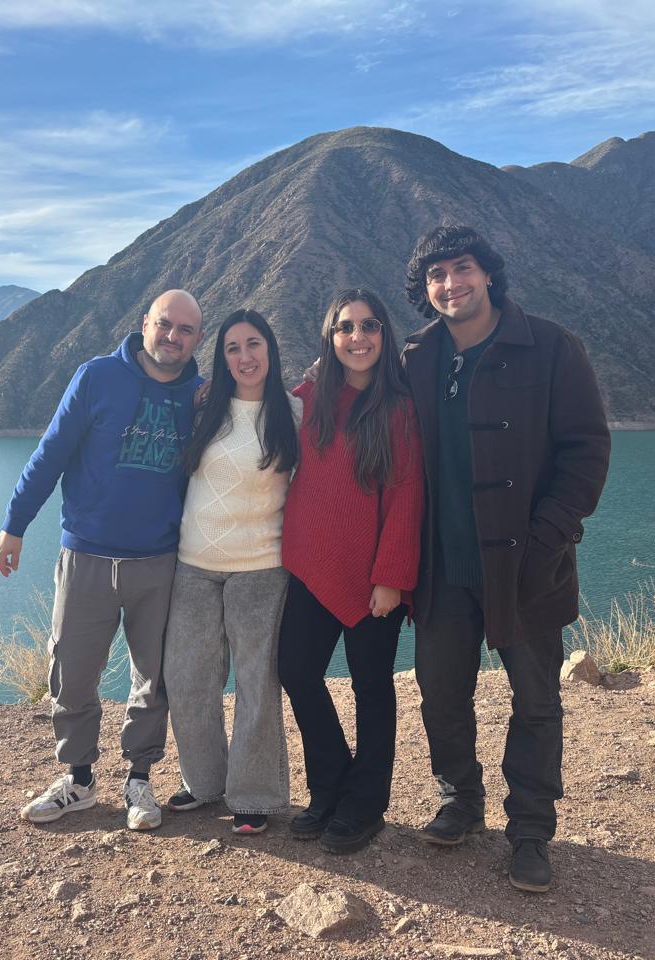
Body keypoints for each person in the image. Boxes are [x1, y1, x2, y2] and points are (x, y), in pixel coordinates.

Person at [401, 225, 611, 892]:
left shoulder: (549, 346)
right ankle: (460, 799)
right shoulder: (416, 358)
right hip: (442, 567)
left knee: (537, 701)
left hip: (526, 566)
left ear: (487, 273)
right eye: (436, 275)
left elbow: (587, 451)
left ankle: (530, 830)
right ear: (425, 288)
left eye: (461, 268)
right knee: (440, 693)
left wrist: (547, 538)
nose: (450, 284)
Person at [0, 289, 203, 831]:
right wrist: (14, 525)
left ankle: (139, 778)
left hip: (158, 560)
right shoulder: (96, 377)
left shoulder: (201, 396)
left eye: (185, 330)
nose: (173, 337)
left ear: (197, 339)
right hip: (85, 554)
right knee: (72, 672)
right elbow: (50, 453)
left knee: (152, 678)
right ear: (145, 323)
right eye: (165, 325)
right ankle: (80, 779)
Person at [277, 288, 424, 855]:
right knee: (296, 669)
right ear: (329, 337)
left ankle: (366, 804)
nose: (357, 338)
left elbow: (405, 497)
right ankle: (331, 781)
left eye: (368, 327)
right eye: (345, 328)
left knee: (371, 688)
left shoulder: (399, 408)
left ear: (384, 336)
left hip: (374, 580)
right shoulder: (309, 397)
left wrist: (391, 577)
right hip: (311, 570)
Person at [162, 309, 302, 835]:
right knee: (188, 678)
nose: (244, 357)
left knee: (255, 685)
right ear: (221, 359)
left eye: (254, 345)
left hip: (261, 569)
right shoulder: (204, 409)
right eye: (232, 349)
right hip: (193, 565)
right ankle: (204, 782)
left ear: (271, 350)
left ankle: (254, 794)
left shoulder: (294, 413)